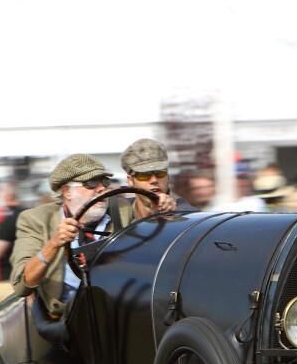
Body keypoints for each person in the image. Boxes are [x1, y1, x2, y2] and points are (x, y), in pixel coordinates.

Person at [11, 155, 133, 334]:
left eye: (104, 182)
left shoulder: (122, 210)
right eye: (91, 183)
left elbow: (152, 227)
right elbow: (23, 283)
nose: (101, 189)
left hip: (120, 311)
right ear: (67, 191)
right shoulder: (35, 220)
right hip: (67, 322)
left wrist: (163, 204)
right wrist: (54, 243)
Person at [119, 138, 185, 218]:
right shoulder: (118, 214)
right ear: (130, 180)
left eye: (160, 173)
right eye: (144, 175)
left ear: (167, 176)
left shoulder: (187, 215)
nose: (154, 180)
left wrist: (168, 217)